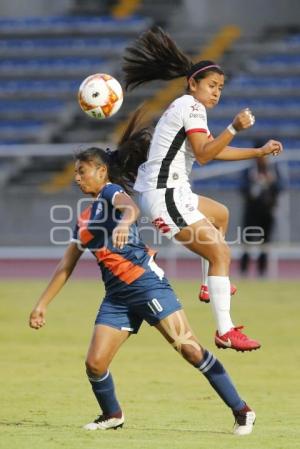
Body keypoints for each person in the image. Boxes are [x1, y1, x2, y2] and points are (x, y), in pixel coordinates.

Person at [29, 111, 256, 435]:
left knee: (191, 350)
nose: (77, 178)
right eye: (76, 173)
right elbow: (67, 262)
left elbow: (130, 208)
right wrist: (42, 304)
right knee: (95, 364)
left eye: (82, 171)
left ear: (101, 171)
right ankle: (112, 414)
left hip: (148, 286)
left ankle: (243, 411)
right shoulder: (83, 217)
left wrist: (123, 222)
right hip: (117, 298)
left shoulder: (110, 193)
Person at [122, 26, 283, 351]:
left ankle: (209, 285)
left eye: (220, 88)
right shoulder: (190, 107)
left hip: (171, 192)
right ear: (191, 84)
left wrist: (259, 152)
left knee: (220, 215)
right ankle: (225, 330)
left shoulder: (187, 108)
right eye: (211, 85)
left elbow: (211, 149)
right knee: (220, 253)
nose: (216, 93)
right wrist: (234, 128)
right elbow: (208, 155)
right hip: (166, 195)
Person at [240, 156, 283, 276]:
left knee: (266, 242)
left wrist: (271, 181)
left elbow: (281, 186)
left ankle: (262, 271)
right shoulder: (249, 171)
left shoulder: (273, 169)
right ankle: (243, 271)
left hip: (267, 211)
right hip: (251, 211)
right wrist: (254, 184)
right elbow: (242, 188)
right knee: (247, 241)